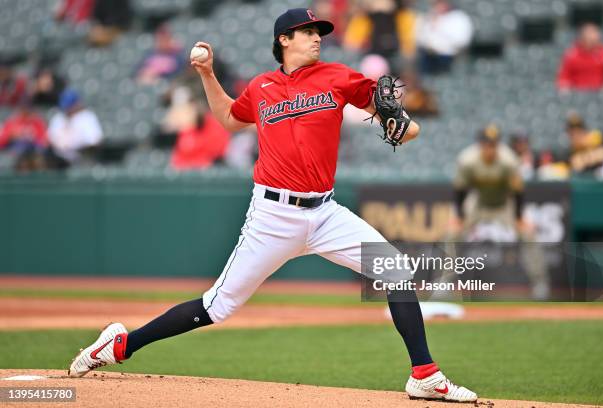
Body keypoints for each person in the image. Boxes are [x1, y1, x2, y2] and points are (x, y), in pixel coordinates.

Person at [67, 8, 477, 403]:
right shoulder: (262, 86)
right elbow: (229, 118)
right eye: (309, 32)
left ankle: (424, 374)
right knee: (217, 306)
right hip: (272, 216)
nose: (318, 38)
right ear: (284, 39)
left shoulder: (337, 76)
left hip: (325, 213)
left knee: (396, 270)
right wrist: (208, 74)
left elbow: (399, 125)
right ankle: (121, 345)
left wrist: (402, 124)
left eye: (320, 32)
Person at [450, 125, 550, 300]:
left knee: (528, 233)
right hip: (479, 201)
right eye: (487, 144)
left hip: (504, 203)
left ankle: (540, 283)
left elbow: (518, 191)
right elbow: (460, 190)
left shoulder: (508, 160)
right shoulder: (467, 159)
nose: (490, 149)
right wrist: (459, 216)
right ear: (480, 144)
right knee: (451, 233)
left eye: (493, 144)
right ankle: (443, 284)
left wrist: (519, 218)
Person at [47, 89, 103, 168]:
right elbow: (50, 139)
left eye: (70, 106)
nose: (68, 109)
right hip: (59, 161)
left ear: (77, 104)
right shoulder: (58, 118)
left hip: (82, 158)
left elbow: (95, 141)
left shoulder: (87, 117)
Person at [416, 0, 473, 75]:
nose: (438, 6)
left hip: (449, 58)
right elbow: (420, 38)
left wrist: (439, 27)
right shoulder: (428, 17)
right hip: (427, 57)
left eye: (440, 2)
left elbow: (462, 41)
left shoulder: (459, 17)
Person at [557, 23, 603, 92]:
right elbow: (563, 78)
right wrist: (565, 87)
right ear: (583, 39)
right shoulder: (572, 55)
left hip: (600, 92)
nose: (593, 42)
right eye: (590, 39)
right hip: (577, 93)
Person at [0, 99, 48, 171]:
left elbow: (44, 142)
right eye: (23, 109)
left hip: (33, 153)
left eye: (27, 109)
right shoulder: (11, 123)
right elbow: (1, 142)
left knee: (38, 158)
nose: (25, 111)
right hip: (16, 154)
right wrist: (11, 136)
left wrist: (31, 138)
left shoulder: (37, 123)